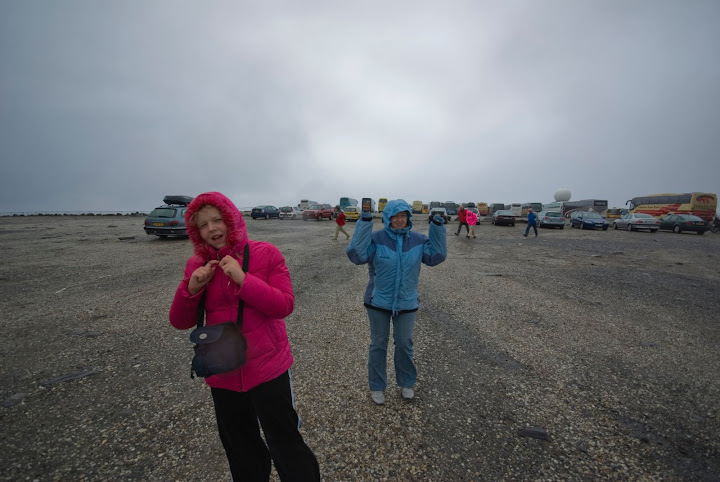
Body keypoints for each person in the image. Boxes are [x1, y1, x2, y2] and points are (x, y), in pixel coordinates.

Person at [169, 192, 320, 481]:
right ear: (196, 232)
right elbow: (179, 322)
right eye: (203, 225)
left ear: (232, 220)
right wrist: (192, 289)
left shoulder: (266, 253)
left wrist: (243, 279)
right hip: (221, 369)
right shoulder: (196, 266)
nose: (212, 229)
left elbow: (284, 304)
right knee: (241, 449)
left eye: (217, 220)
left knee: (286, 444)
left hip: (267, 368)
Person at [346, 199, 447, 405]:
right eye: (395, 216)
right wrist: (364, 222)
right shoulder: (376, 238)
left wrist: (437, 227)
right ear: (387, 218)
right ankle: (377, 386)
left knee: (404, 344)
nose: (399, 220)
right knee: (378, 345)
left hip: (407, 302)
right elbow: (357, 255)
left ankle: (407, 383)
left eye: (403, 216)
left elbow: (436, 256)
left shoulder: (418, 240)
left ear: (408, 217)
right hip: (378, 301)